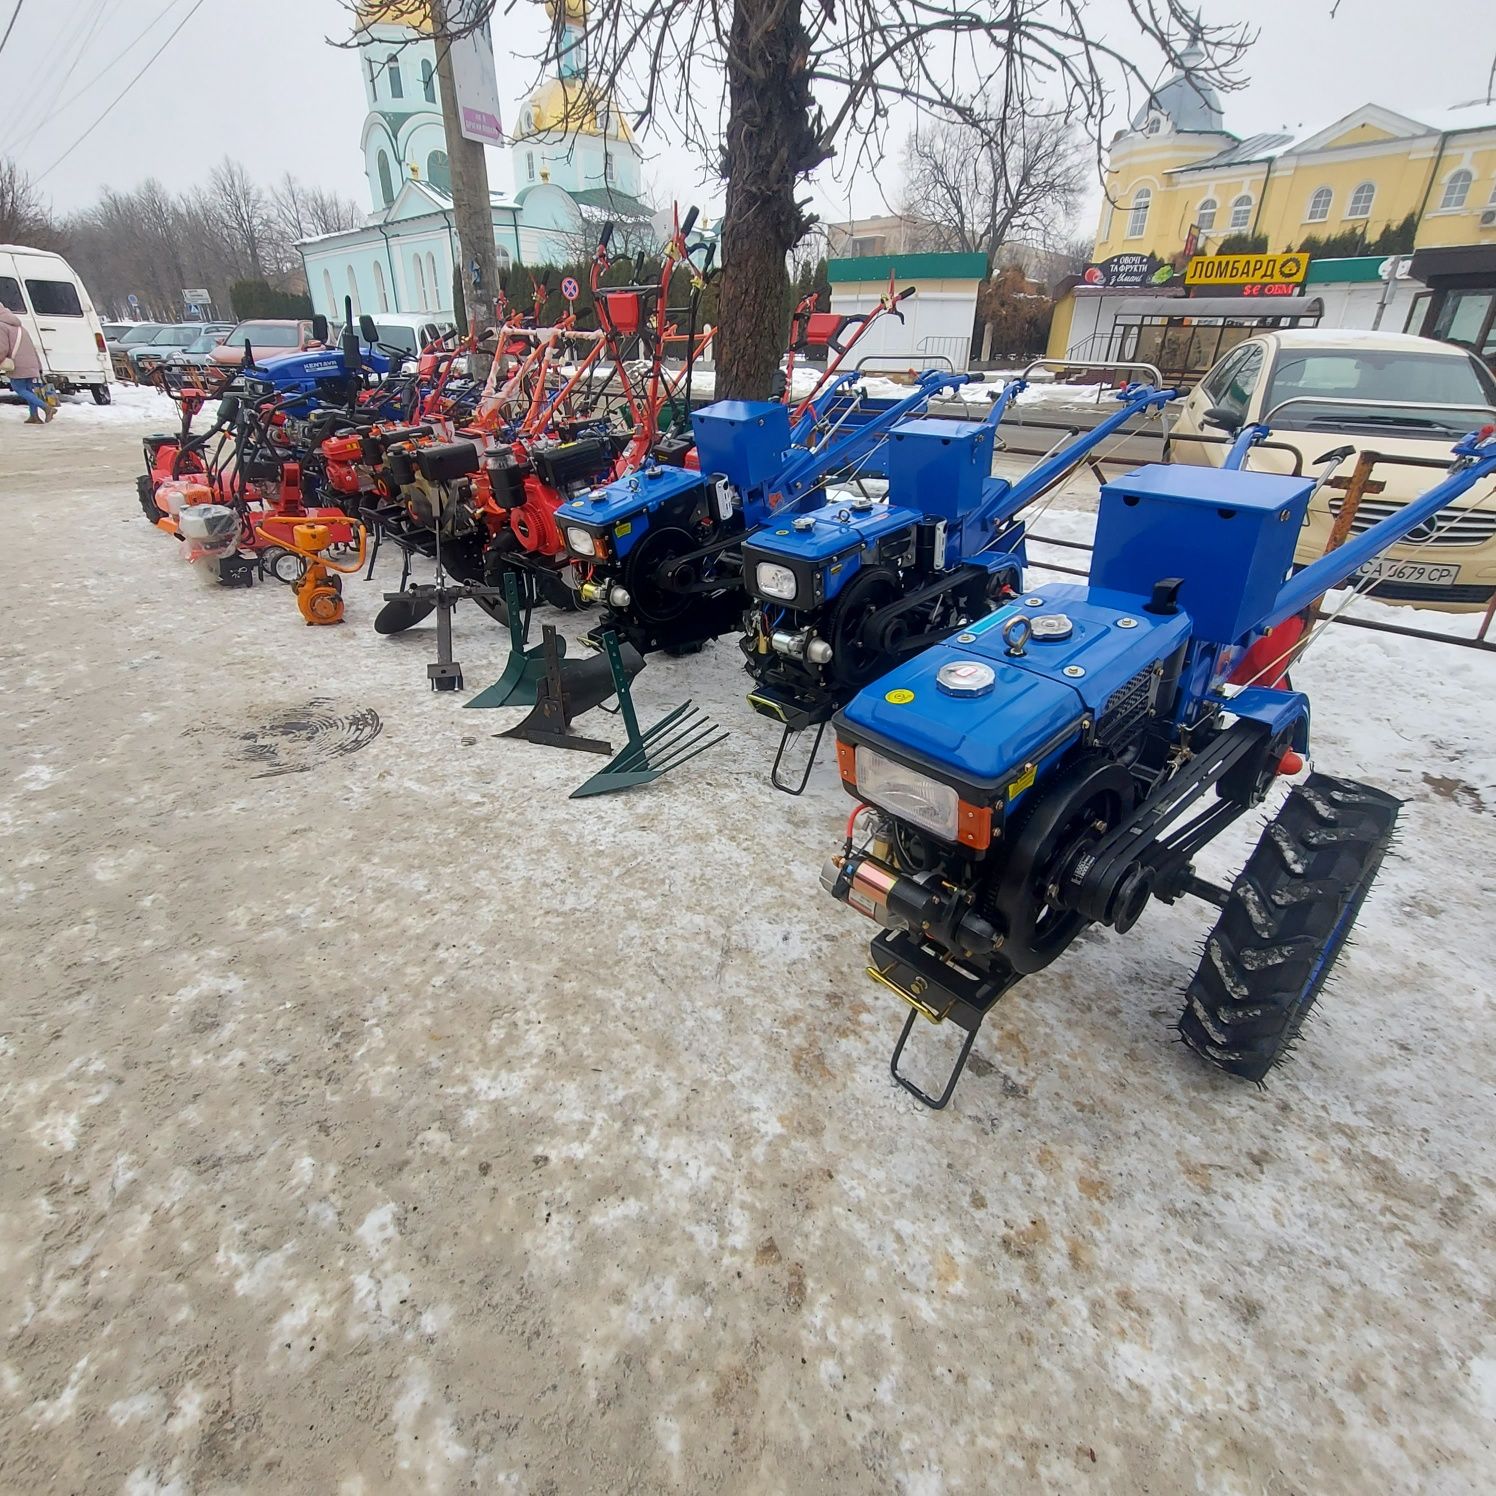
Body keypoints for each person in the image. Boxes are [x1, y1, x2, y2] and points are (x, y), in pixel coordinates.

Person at [0, 306, 54, 424]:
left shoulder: (2, 326)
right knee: (28, 390)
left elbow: (2, 348)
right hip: (31, 363)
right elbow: (32, 348)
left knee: (18, 388)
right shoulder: (20, 328)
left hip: (19, 364)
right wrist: (39, 366)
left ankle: (46, 408)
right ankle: (34, 416)